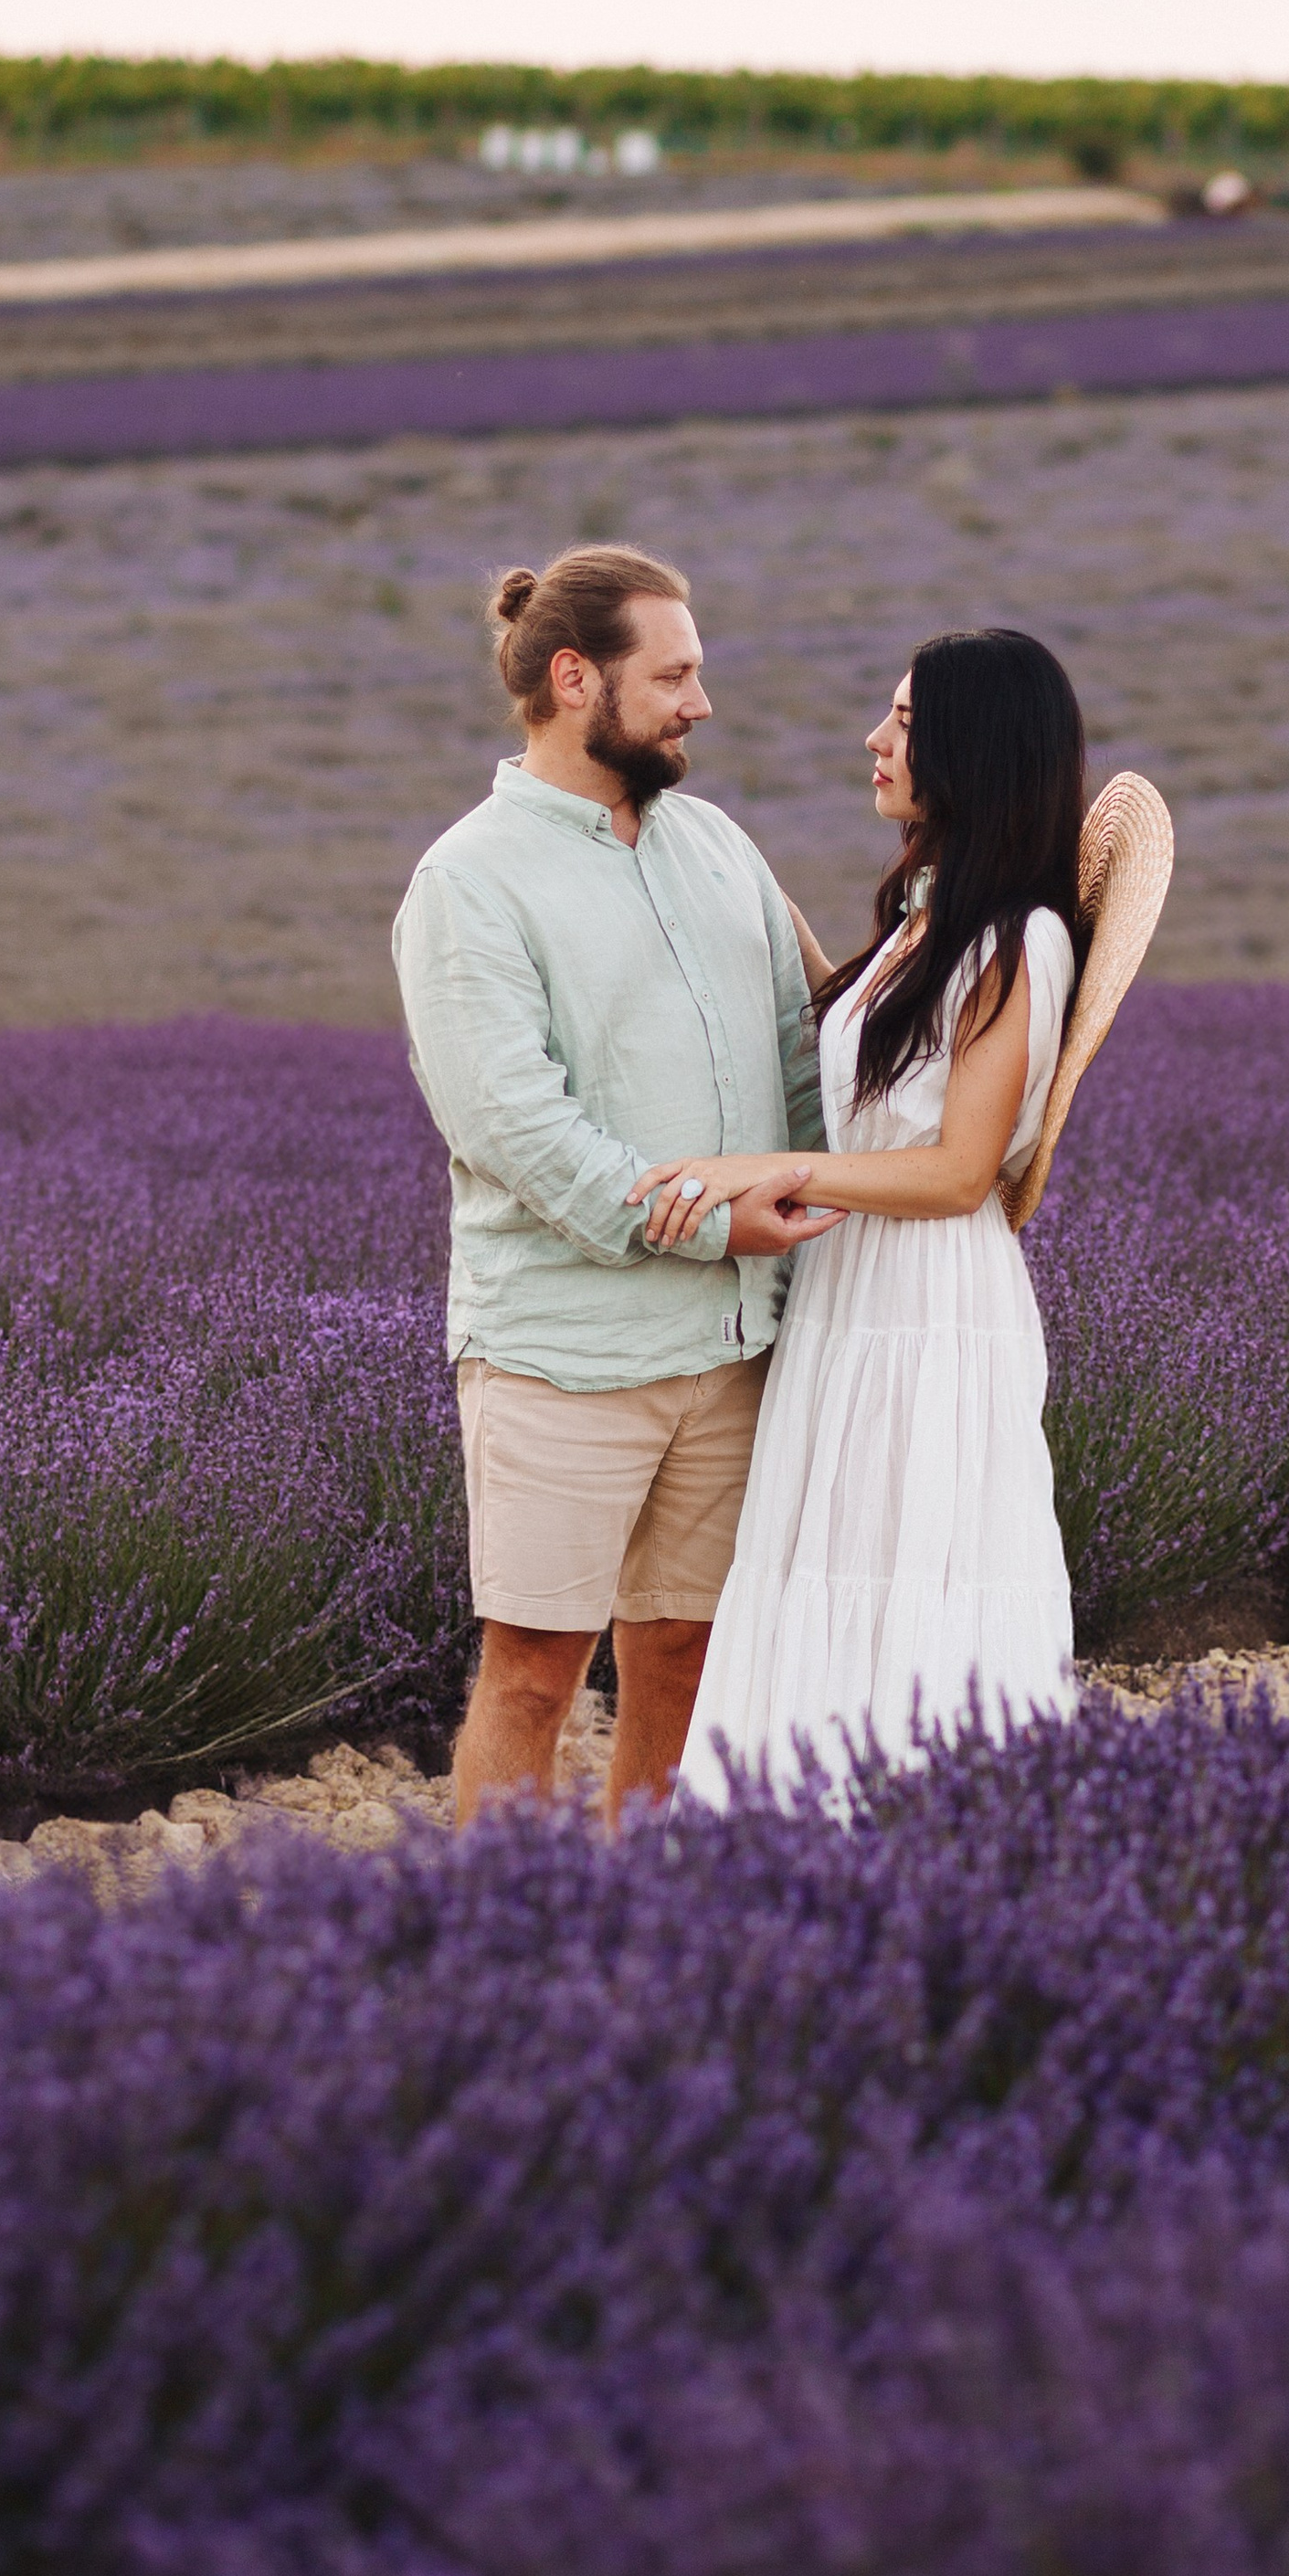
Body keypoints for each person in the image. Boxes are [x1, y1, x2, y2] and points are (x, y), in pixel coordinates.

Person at [392, 543, 834, 1823]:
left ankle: (647, 1940)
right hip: (564, 1356)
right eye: (678, 674)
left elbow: (801, 1063)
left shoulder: (718, 849)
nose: (702, 703)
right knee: (532, 1679)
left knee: (688, 1662)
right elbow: (515, 1129)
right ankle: (510, 1961)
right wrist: (710, 1224)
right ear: (577, 678)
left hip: (733, 1344)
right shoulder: (468, 881)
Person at [636, 627, 1085, 1804]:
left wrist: (768, 1169)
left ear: (974, 753)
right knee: (828, 1558)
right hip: (851, 1296)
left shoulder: (1016, 938)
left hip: (932, 1301)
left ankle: (927, 1848)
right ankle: (809, 1853)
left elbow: (953, 1173)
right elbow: (886, 1091)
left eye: (904, 722)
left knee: (920, 1567)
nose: (874, 741)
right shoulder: (923, 924)